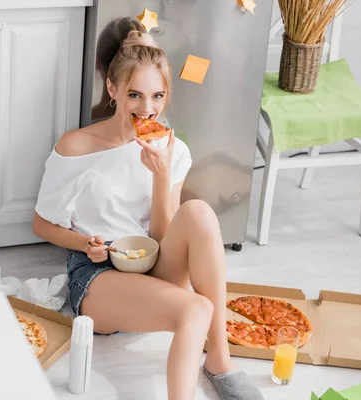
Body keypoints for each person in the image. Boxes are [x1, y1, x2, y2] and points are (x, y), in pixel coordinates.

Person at [32, 26, 264, 400]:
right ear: (112, 90)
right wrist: (84, 242)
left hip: (152, 262)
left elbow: (161, 236)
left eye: (157, 96)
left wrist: (161, 174)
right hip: (98, 273)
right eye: (135, 95)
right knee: (195, 309)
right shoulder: (76, 146)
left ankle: (220, 359)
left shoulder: (173, 149)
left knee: (200, 211)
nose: (147, 108)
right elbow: (41, 224)